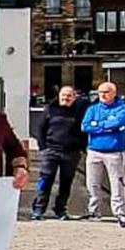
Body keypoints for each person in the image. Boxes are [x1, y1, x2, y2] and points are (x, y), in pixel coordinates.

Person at [33, 85, 88, 220]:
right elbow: (39, 129)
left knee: (66, 183)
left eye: (69, 96)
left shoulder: (80, 112)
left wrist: (81, 147)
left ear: (74, 98)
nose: (66, 98)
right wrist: (43, 148)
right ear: (59, 96)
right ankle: (38, 209)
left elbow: (85, 131)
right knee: (45, 180)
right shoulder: (50, 110)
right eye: (63, 95)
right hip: (51, 151)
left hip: (71, 153)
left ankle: (60, 209)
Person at [81, 82, 125, 227]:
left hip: (114, 151)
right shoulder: (93, 108)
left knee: (117, 184)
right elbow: (85, 126)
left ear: (114, 93)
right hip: (94, 150)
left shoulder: (122, 108)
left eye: (106, 92)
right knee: (92, 183)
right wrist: (107, 126)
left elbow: (119, 122)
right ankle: (93, 210)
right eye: (100, 92)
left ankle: (120, 213)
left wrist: (97, 124)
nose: (102, 95)